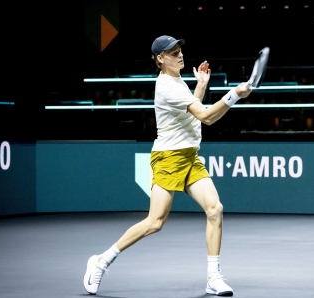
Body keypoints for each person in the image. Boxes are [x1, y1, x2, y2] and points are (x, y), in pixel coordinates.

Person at [83, 35, 252, 296]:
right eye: (172, 53)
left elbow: (190, 118)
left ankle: (213, 276)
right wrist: (234, 95)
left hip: (189, 156)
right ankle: (101, 261)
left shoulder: (177, 81)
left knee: (215, 209)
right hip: (168, 158)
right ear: (160, 59)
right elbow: (206, 117)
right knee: (155, 222)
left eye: (180, 50)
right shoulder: (167, 86)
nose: (180, 55)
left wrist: (200, 87)